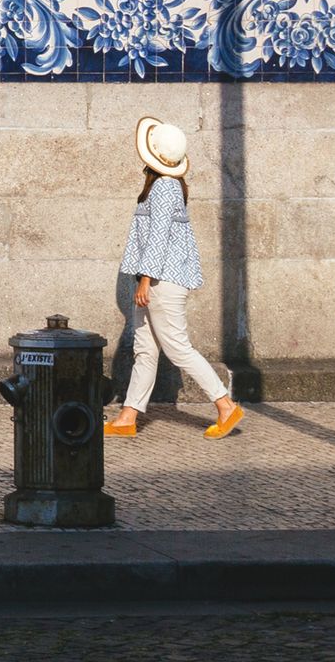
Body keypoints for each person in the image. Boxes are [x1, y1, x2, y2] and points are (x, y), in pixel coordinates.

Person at [105, 118, 247, 440]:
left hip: (162, 282)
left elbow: (158, 238)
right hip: (152, 278)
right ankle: (128, 416)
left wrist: (145, 281)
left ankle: (225, 405)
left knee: (178, 348)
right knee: (145, 349)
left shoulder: (166, 188)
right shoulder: (160, 186)